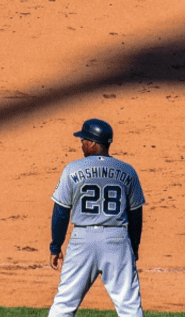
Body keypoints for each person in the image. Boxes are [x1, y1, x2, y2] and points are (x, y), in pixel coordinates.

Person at [48, 119, 145, 317]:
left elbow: (60, 212)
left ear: (93, 143)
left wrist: (56, 246)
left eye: (83, 139)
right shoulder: (127, 170)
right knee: (129, 304)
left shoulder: (72, 169)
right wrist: (133, 247)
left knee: (64, 303)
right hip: (117, 239)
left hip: (82, 240)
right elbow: (136, 215)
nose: (81, 143)